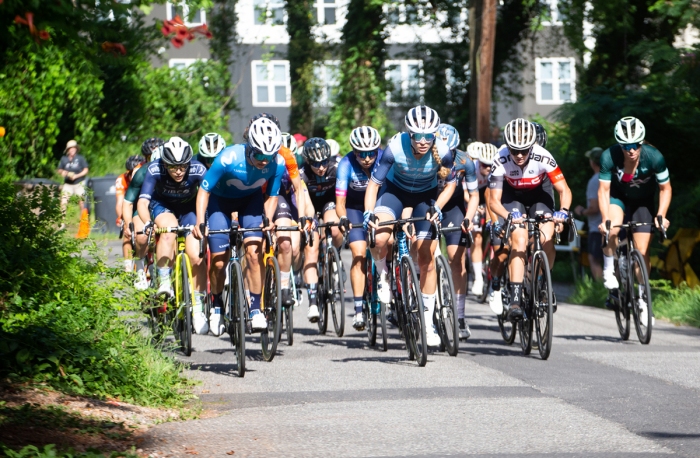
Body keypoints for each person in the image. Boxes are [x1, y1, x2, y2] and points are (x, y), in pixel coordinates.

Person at [364, 105, 458, 347]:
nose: (424, 141)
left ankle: (427, 323)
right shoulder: (395, 148)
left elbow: (450, 184)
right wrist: (368, 212)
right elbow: (374, 185)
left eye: (429, 135)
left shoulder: (444, 150)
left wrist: (437, 206)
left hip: (424, 197)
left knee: (426, 256)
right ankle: (383, 274)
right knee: (381, 237)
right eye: (418, 136)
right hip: (394, 193)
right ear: (409, 133)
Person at [193, 118, 285, 333]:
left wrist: (268, 220)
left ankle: (255, 309)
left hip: (250, 202)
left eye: (269, 155)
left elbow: (272, 195)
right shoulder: (228, 158)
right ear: (249, 147)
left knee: (254, 253)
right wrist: (200, 221)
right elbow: (204, 190)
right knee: (217, 262)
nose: (264, 161)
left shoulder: (277, 163)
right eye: (259, 155)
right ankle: (216, 305)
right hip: (219, 203)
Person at [488, 118, 572, 320]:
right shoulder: (500, 158)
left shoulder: (543, 156)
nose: (518, 155)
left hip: (539, 194)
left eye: (524, 151)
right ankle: (516, 298)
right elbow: (493, 201)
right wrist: (508, 216)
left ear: (532, 147)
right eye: (514, 150)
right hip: (512, 197)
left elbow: (564, 190)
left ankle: (543, 282)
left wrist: (564, 211)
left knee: (546, 238)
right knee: (519, 239)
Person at [597, 117, 671, 324]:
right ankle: (609, 270)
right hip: (618, 198)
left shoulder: (654, 157)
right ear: (620, 145)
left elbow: (665, 188)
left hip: (643, 202)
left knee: (642, 249)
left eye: (636, 145)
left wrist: (662, 214)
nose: (631, 150)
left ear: (642, 142)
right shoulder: (608, 157)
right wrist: (604, 220)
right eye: (626, 146)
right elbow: (603, 191)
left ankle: (643, 299)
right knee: (611, 230)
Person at [137, 137, 208, 332]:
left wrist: (204, 223)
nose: (178, 171)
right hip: (163, 206)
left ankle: (198, 308)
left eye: (182, 166)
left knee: (196, 256)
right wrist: (148, 223)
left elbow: (211, 198)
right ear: (164, 163)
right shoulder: (154, 169)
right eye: (173, 167)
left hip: (189, 208)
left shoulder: (198, 169)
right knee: (168, 231)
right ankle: (165, 280)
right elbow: (142, 203)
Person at [335, 126, 382, 330]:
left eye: (371, 153)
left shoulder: (383, 159)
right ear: (354, 152)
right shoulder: (345, 164)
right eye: (361, 154)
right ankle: (359, 309)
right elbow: (340, 201)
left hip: (379, 204)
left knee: (385, 243)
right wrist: (343, 218)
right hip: (353, 208)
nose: (366, 158)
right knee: (359, 253)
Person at [435, 124, 479, 340]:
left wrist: (469, 218)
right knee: (424, 252)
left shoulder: (464, 161)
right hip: (428, 204)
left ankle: (460, 316)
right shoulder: (426, 157)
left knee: (457, 259)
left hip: (453, 207)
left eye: (450, 152)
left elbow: (474, 195)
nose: (446, 156)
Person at [299, 137, 343, 322]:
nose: (321, 167)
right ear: (308, 161)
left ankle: (334, 254)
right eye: (316, 164)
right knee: (311, 249)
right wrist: (308, 220)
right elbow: (302, 201)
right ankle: (313, 302)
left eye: (324, 161)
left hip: (328, 203)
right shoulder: (303, 174)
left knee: (334, 227)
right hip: (309, 206)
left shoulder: (336, 168)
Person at [123, 138, 163, 291]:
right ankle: (140, 269)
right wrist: (128, 224)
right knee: (141, 235)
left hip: (163, 206)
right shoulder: (140, 173)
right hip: (141, 206)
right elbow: (127, 202)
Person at [469, 142, 499, 297]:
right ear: (478, 162)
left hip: (489, 197)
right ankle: (478, 278)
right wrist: (474, 208)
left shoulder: (497, 169)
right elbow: (466, 194)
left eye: (490, 165)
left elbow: (493, 198)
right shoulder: (472, 168)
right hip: (472, 196)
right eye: (484, 165)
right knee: (477, 237)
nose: (488, 168)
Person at [575, 147, 603, 280]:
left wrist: (581, 211)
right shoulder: (612, 177)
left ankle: (603, 290)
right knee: (614, 259)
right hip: (616, 224)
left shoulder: (594, 181)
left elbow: (594, 208)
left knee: (594, 258)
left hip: (597, 227)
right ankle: (619, 290)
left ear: (592, 162)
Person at [116, 155, 146, 272]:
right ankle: (128, 266)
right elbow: (120, 202)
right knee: (127, 234)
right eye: (130, 173)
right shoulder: (121, 179)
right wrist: (121, 218)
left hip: (141, 203)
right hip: (128, 203)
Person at [57, 140, 89, 220]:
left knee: (82, 203)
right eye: (70, 148)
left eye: (73, 148)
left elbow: (86, 170)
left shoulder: (80, 158)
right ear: (67, 150)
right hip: (68, 184)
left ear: (76, 149)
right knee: (63, 202)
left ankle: (84, 223)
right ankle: (62, 223)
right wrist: (63, 172)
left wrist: (76, 176)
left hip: (79, 183)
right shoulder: (64, 159)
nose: (72, 150)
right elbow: (59, 170)